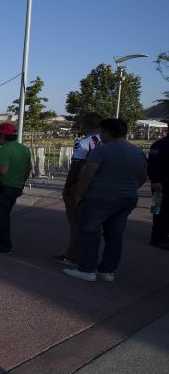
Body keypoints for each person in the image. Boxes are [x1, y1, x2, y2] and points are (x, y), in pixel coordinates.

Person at [64, 119, 148, 282]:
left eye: (102, 132)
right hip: (127, 198)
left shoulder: (102, 151)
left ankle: (87, 268)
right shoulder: (137, 152)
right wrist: (130, 188)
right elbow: (143, 176)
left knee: (88, 231)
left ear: (107, 133)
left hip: (100, 197)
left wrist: (78, 194)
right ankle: (108, 271)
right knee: (114, 234)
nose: (100, 136)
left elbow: (88, 175)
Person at [52, 113, 103, 266]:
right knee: (95, 225)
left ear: (84, 125)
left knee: (77, 223)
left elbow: (76, 166)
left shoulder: (83, 142)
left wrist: (67, 187)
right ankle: (92, 256)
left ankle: (74, 255)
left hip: (83, 185)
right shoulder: (108, 142)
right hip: (102, 186)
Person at [0, 123, 31, 254]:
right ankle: (0, 242)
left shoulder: (3, 150)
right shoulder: (24, 149)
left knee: (0, 217)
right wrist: (21, 182)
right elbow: (28, 169)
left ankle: (2, 245)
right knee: (4, 215)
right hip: (17, 186)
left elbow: (3, 170)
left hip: (4, 187)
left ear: (2, 136)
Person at [147, 127, 169, 250]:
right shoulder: (160, 144)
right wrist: (155, 181)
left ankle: (163, 235)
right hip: (160, 185)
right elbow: (153, 164)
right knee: (158, 210)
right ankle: (157, 238)